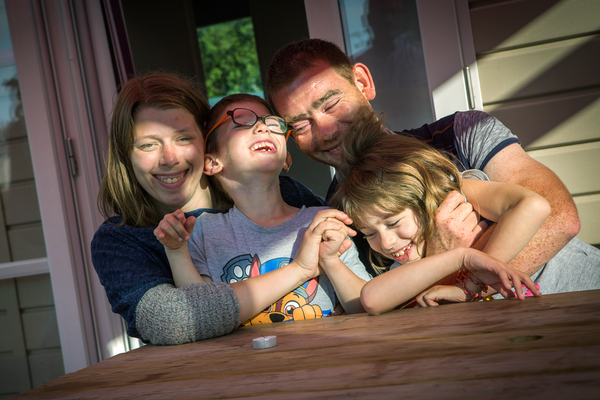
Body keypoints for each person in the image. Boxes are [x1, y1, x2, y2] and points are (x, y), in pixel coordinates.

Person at [265, 38, 600, 294]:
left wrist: (457, 284)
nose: (324, 130)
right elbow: (377, 307)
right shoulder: (339, 214)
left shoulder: (462, 133)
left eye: (331, 104)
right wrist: (443, 259)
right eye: (301, 124)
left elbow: (558, 218)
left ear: (363, 82)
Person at [91, 73, 324, 345]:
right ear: (125, 156)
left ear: (207, 142)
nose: (169, 159)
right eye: (148, 144)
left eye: (183, 138)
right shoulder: (121, 240)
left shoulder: (283, 194)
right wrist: (299, 270)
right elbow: (174, 321)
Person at [154, 94, 371, 324]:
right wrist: (176, 252)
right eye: (243, 120)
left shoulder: (322, 223)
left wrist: (331, 261)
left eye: (273, 123)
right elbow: (203, 315)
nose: (262, 127)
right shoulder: (204, 232)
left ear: (286, 159)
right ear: (212, 163)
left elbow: (363, 305)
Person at [329, 115, 546, 311]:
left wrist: (470, 284)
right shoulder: (404, 263)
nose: (386, 242)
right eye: (369, 234)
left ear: (425, 196)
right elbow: (371, 299)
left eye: (393, 222)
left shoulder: (458, 195)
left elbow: (533, 205)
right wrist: (460, 258)